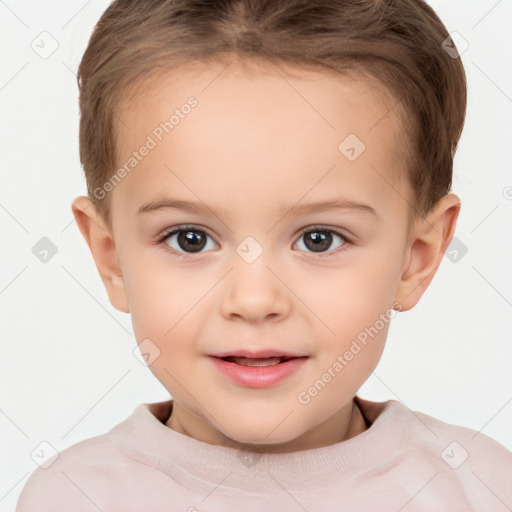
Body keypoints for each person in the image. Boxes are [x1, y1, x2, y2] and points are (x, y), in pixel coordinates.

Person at [16, 0, 512, 510]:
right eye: (190, 239)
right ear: (111, 257)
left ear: (417, 256)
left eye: (320, 239)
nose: (254, 300)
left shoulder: (483, 487)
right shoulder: (72, 497)